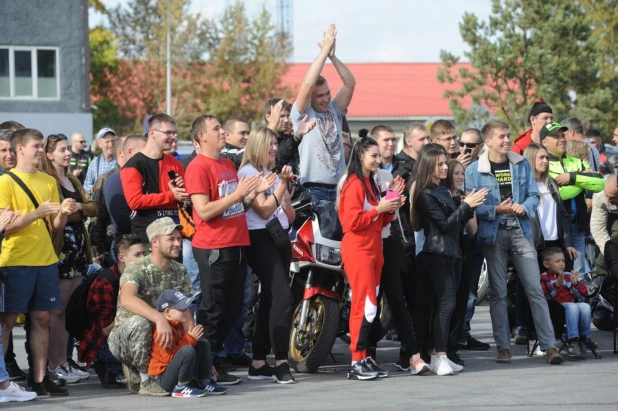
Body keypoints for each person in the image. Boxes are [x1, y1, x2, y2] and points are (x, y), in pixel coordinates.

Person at [465, 120, 564, 365]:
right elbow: (471, 205)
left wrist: (525, 207)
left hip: (521, 231)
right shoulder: (474, 170)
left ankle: (549, 346)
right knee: (498, 292)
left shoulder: (520, 165)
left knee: (534, 289)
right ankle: (503, 347)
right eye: (501, 136)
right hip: (493, 233)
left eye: (508, 135)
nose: (507, 140)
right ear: (488, 142)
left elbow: (533, 196)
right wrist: (496, 209)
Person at [185, 114, 275, 385]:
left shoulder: (226, 163)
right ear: (202, 136)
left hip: (236, 244)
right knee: (213, 308)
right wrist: (236, 195)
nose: (222, 132)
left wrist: (249, 195)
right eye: (216, 129)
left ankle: (214, 357)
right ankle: (205, 364)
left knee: (235, 307)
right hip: (214, 247)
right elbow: (203, 210)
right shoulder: (198, 167)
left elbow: (237, 208)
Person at [0, 128, 77, 396]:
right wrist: (37, 213)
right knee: (8, 320)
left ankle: (40, 378)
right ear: (20, 148)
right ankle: (3, 380)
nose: (40, 150)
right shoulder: (5, 182)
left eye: (42, 145)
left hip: (45, 259)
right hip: (15, 259)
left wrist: (63, 213)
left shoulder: (47, 181)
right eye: (36, 145)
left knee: (42, 318)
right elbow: (5, 228)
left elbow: (54, 226)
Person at [411, 148, 485, 375]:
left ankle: (437, 354)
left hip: (452, 254)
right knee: (445, 304)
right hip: (436, 255)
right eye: (440, 164)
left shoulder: (442, 191)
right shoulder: (425, 194)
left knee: (448, 306)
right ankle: (439, 355)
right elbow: (444, 225)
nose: (445, 168)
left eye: (445, 163)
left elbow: (460, 225)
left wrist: (464, 204)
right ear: (428, 166)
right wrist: (466, 205)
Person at [337, 137, 403, 380]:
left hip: (374, 248)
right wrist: (380, 209)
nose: (378, 160)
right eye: (373, 155)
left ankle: (364, 358)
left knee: (371, 306)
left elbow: (381, 220)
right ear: (361, 155)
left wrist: (392, 203)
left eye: (379, 156)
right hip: (359, 250)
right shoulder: (354, 183)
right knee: (363, 305)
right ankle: (356, 361)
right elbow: (350, 222)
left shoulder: (370, 183)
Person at [107, 217, 193, 396]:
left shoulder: (180, 270)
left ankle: (161, 371)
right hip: (126, 337)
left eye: (179, 238)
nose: (177, 243)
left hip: (161, 337)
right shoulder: (137, 267)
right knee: (141, 323)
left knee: (189, 332)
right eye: (171, 239)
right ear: (154, 242)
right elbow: (127, 299)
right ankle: (146, 379)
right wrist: (159, 317)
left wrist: (195, 350)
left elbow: (186, 313)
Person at [238, 127, 297, 384]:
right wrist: (281, 185)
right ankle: (282, 360)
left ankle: (259, 361)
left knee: (272, 297)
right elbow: (262, 211)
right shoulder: (249, 173)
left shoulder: (269, 174)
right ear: (257, 146)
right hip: (259, 238)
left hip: (280, 236)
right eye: (270, 144)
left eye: (275, 143)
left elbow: (288, 216)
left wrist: (284, 196)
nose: (275, 148)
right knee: (283, 296)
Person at [39, 134, 96, 384]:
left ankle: (66, 360)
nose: (67, 153)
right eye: (61, 150)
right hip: (62, 247)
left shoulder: (72, 178)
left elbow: (93, 207)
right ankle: (55, 364)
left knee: (72, 309)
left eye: (67, 149)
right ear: (49, 154)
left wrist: (79, 209)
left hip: (78, 247)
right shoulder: (48, 180)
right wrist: (73, 211)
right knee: (58, 310)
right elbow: (55, 214)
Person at [292, 24, 356, 204]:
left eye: (328, 93)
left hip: (339, 187)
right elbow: (307, 84)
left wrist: (332, 56)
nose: (326, 99)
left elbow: (350, 83)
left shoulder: (334, 110)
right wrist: (323, 52)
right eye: (320, 96)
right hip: (314, 189)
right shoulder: (302, 113)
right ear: (310, 98)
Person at [78, 234, 144, 389]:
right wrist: (140, 311)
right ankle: (108, 367)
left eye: (144, 253)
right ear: (121, 257)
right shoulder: (105, 282)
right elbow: (105, 330)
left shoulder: (142, 276)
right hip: (102, 343)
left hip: (128, 334)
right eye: (137, 255)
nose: (143, 258)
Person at [541, 122, 605, 274]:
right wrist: (584, 180)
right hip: (556, 229)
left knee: (579, 273)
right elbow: (558, 194)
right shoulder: (543, 163)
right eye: (556, 136)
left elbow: (599, 183)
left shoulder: (576, 162)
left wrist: (572, 177)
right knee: (556, 273)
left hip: (578, 226)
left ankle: (577, 299)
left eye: (563, 135)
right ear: (544, 142)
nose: (561, 139)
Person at [444, 159, 490, 359]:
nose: (460, 177)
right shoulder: (441, 196)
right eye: (456, 173)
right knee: (447, 302)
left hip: (464, 249)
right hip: (445, 252)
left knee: (464, 298)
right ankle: (441, 347)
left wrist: (468, 205)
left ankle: (455, 345)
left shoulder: (464, 198)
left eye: (462, 173)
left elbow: (473, 229)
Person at [121, 114, 188, 246]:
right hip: (148, 239)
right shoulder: (133, 165)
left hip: (174, 236)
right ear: (152, 133)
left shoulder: (175, 164)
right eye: (168, 132)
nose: (173, 137)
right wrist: (171, 195)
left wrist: (184, 194)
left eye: (174, 133)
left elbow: (186, 201)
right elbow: (134, 201)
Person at [149, 290, 227, 397]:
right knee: (187, 349)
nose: (186, 311)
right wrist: (189, 339)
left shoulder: (178, 325)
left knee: (202, 343)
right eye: (181, 309)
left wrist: (206, 364)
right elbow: (169, 357)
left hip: (175, 372)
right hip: (164, 379)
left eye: (186, 308)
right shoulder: (162, 331)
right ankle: (181, 388)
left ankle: (205, 381)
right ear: (167, 312)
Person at [540, 247, 591, 358]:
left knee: (585, 306)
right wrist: (556, 285)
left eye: (563, 261)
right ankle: (572, 340)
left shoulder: (568, 275)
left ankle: (584, 338)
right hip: (556, 307)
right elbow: (544, 295)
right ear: (547, 264)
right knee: (572, 307)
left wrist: (576, 284)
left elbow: (584, 293)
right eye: (557, 261)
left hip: (570, 304)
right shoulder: (544, 277)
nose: (562, 264)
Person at [90, 136, 127, 262]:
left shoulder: (140, 176)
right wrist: (98, 250)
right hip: (112, 244)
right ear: (121, 152)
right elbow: (97, 217)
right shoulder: (106, 179)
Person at [104, 136, 147, 243]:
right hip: (128, 243)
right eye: (143, 152)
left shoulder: (147, 175)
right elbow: (120, 216)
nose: (147, 156)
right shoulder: (115, 179)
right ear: (129, 152)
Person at [265, 98, 316, 173]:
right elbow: (276, 160)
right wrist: (296, 138)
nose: (286, 120)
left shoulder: (289, 139)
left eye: (288, 115)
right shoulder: (257, 139)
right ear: (268, 117)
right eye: (282, 116)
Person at [590, 174, 618, 275]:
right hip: (611, 215)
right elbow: (597, 228)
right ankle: (598, 275)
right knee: (611, 245)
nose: (609, 199)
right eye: (607, 196)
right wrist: (609, 253)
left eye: (613, 197)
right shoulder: (599, 196)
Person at [83, 128, 117, 194]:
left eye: (112, 141)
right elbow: (86, 185)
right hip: (99, 203)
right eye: (107, 142)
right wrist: (93, 189)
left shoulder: (121, 161)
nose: (110, 145)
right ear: (99, 143)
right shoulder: (94, 163)